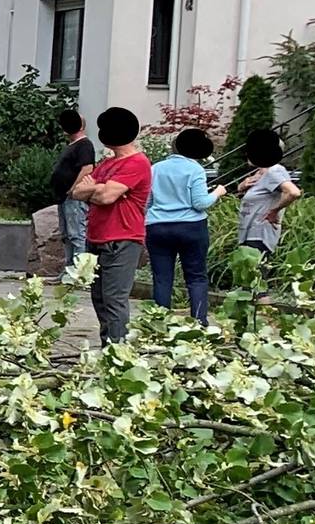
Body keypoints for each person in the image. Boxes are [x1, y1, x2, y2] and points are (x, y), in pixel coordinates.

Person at [72, 107, 152, 345]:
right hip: (96, 238)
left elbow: (105, 197)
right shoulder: (107, 164)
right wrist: (99, 188)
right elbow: (77, 191)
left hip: (123, 239)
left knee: (114, 299)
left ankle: (116, 349)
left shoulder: (137, 163)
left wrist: (96, 189)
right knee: (99, 297)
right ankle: (108, 343)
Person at [145, 128, 225, 324]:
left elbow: (147, 201)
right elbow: (200, 203)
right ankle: (199, 321)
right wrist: (218, 192)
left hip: (158, 227)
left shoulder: (155, 168)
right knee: (196, 276)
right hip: (191, 227)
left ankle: (159, 322)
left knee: (162, 277)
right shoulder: (195, 169)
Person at [234, 128, 302, 257]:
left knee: (257, 275)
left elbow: (294, 192)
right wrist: (241, 186)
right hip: (250, 234)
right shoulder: (261, 172)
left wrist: (274, 211)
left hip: (260, 236)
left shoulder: (274, 171)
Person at [48, 110, 96, 268]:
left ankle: (78, 273)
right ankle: (68, 272)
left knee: (76, 235)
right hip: (63, 198)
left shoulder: (84, 145)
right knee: (67, 235)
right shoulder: (72, 146)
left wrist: (73, 189)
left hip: (74, 198)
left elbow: (87, 168)